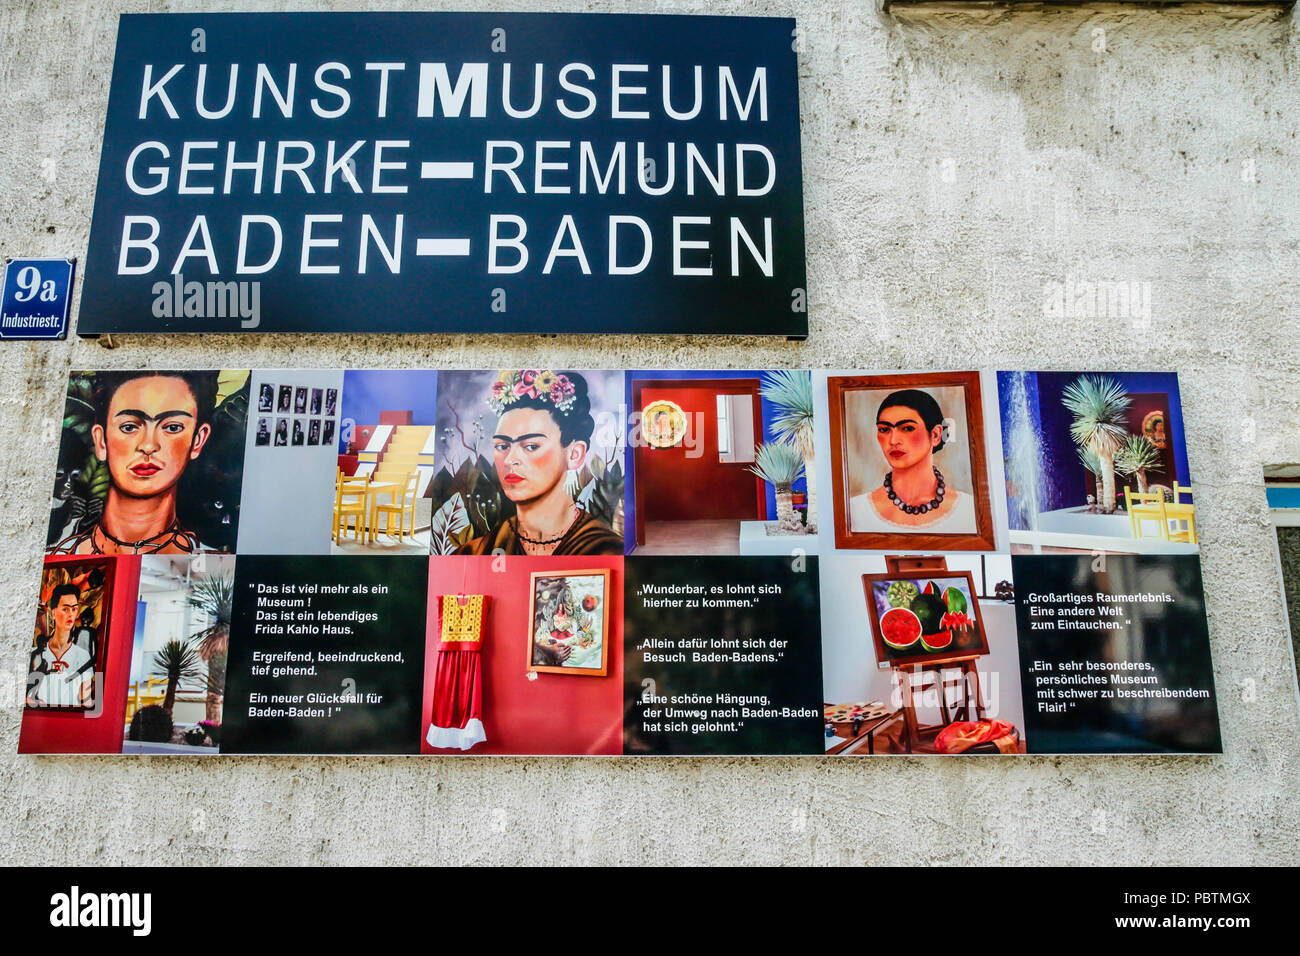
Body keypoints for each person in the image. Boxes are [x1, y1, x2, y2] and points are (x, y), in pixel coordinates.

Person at [48, 371, 217, 554]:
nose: (148, 445)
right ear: (101, 440)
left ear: (198, 440)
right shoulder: (58, 557)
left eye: (172, 427)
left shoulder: (218, 569)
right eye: (129, 427)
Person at [457, 370, 623, 556]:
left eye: (531, 446)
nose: (510, 460)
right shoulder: (475, 552)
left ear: (574, 454)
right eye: (502, 446)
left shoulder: (606, 550)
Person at [849, 389, 976, 533]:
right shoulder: (855, 511)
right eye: (884, 429)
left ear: (935, 435)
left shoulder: (969, 510)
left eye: (907, 428)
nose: (893, 440)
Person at [27, 584, 94, 707]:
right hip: (39, 720)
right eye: (65, 609)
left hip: (69, 722)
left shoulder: (83, 656)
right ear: (53, 613)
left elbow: (86, 700)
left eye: (74, 609)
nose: (71, 614)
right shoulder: (35, 653)